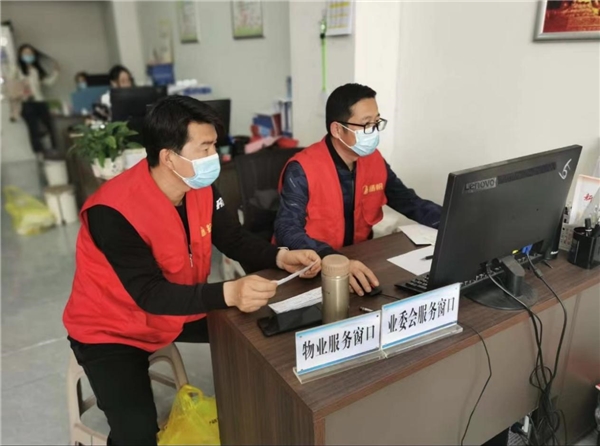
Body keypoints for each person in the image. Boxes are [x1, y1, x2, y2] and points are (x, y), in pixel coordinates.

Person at [63, 95, 320, 445]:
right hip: (112, 329)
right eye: (205, 148)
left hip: (177, 309)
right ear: (169, 157)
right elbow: (150, 294)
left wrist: (279, 257)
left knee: (266, 326)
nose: (215, 157)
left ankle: (260, 418)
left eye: (215, 146)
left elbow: (233, 239)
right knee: (136, 433)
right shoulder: (112, 211)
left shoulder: (200, 186)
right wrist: (229, 292)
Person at [274, 83, 441, 296]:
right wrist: (334, 259)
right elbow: (287, 229)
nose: (374, 131)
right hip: (310, 268)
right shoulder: (302, 169)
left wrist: (452, 222)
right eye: (366, 124)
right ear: (337, 129)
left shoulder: (373, 159)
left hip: (360, 261)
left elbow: (408, 201)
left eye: (376, 122)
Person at [12, 44, 59, 157]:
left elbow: (48, 82)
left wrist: (56, 72)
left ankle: (54, 149)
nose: (28, 55)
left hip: (40, 101)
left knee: (49, 125)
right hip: (26, 103)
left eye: (30, 53)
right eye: (25, 53)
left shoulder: (36, 69)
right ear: (20, 55)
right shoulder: (17, 70)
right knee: (33, 129)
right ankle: (39, 154)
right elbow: (11, 85)